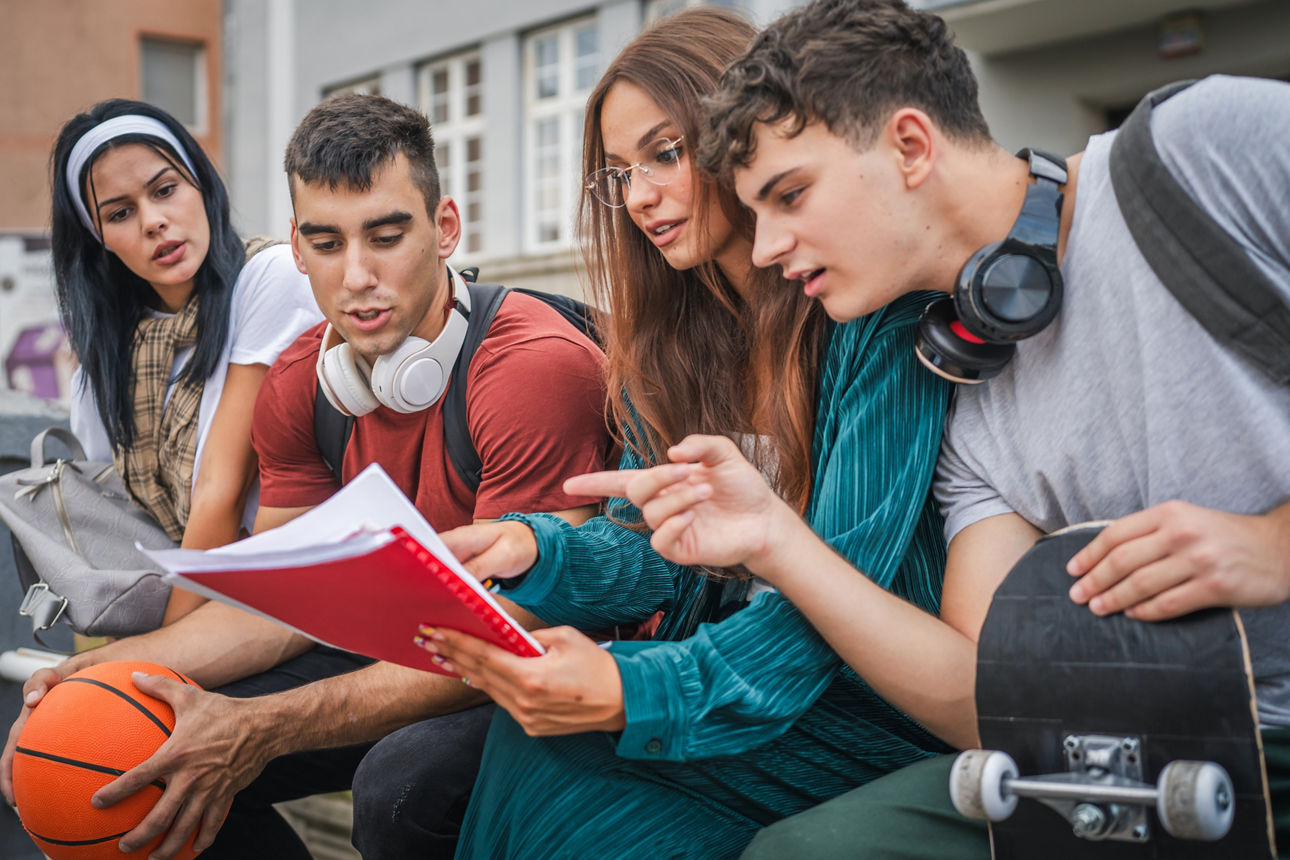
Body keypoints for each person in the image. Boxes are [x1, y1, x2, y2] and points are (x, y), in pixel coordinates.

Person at [564, 1, 1290, 856]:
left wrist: (1274, 544)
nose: (763, 249)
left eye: (790, 196)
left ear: (911, 145)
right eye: (755, 212)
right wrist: (773, 539)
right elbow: (988, 698)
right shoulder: (967, 384)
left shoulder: (1202, 150)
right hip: (1147, 754)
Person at [1, 94, 616, 860]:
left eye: (386, 236)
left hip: (548, 672)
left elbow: (508, 636)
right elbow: (278, 605)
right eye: (326, 243)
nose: (356, 277)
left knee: (403, 785)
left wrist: (264, 727)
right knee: (143, 750)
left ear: (446, 228)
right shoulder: (299, 381)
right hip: (391, 643)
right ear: (295, 247)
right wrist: (87, 681)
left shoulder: (530, 367)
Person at [416, 8, 954, 858]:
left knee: (556, 761)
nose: (638, 198)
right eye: (620, 173)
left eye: (665, 154)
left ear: (743, 137)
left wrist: (634, 689)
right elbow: (652, 555)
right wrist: (532, 549)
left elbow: (834, 603)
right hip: (735, 682)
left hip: (863, 706)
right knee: (522, 747)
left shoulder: (868, 317)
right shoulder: (672, 341)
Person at [46, 98, 322, 625]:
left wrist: (164, 653)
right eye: (120, 213)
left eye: (166, 189)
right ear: (97, 239)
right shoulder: (101, 371)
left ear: (200, 185)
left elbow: (221, 489)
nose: (155, 222)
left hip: (278, 606)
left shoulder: (271, 278)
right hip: (183, 609)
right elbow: (114, 531)